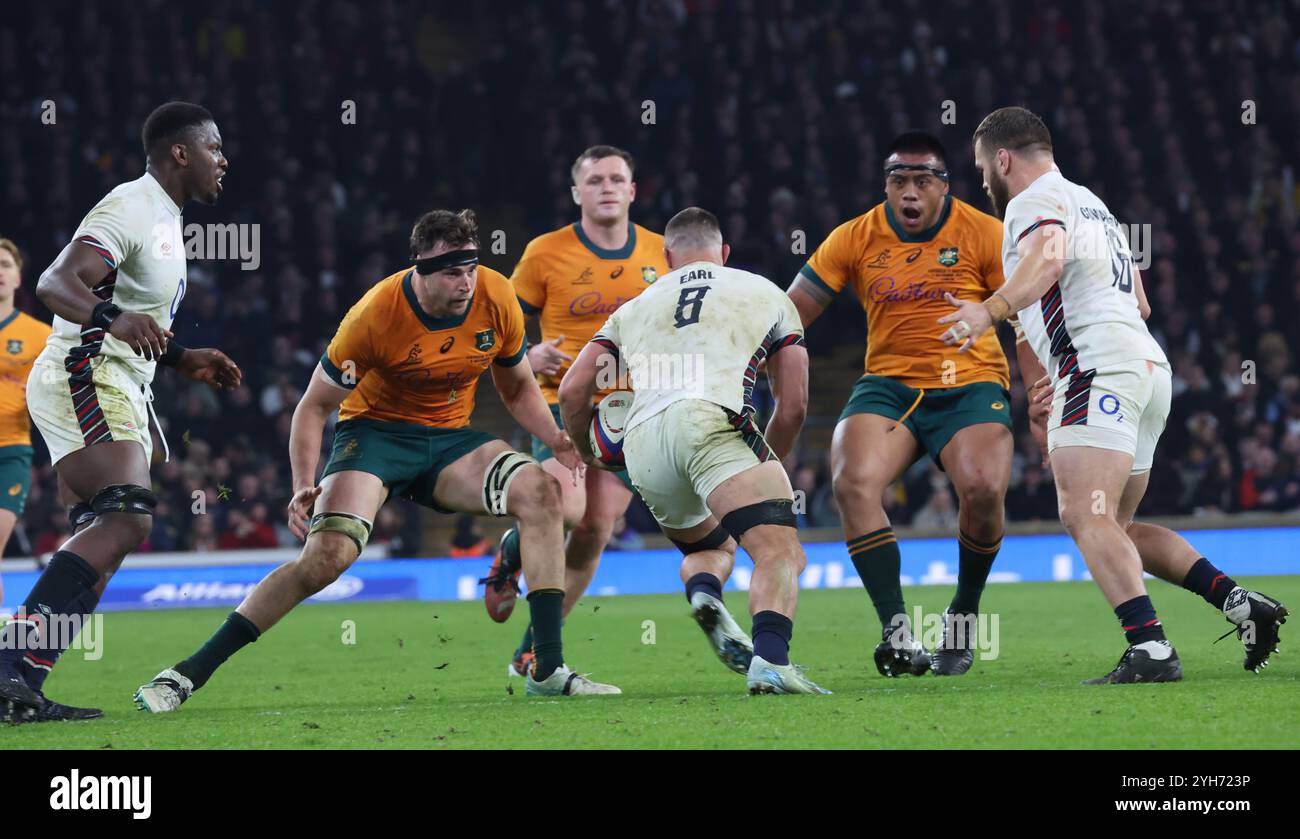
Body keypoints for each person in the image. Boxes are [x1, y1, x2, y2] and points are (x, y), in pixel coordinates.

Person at [134, 208, 619, 712]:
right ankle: (187, 673)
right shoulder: (374, 316)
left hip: (449, 439)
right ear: (420, 269)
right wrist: (303, 483)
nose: (465, 283)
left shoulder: (496, 295)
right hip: (374, 438)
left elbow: (517, 387)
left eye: (470, 269)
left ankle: (546, 669)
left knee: (543, 493)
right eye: (452, 272)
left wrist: (557, 437)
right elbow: (313, 406)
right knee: (325, 562)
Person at [942, 106, 1286, 683]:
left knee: (1083, 512)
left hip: (1097, 370)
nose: (982, 182)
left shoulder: (1032, 203)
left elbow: (1047, 260)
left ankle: (1150, 649)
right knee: (1116, 529)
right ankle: (1239, 604)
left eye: (982, 167)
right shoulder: (1094, 206)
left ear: (1003, 159)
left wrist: (991, 308)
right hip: (1147, 370)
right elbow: (1142, 305)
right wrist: (1039, 377)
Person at [0, 102, 241, 724]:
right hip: (85, 372)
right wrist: (111, 319)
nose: (224, 160)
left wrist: (182, 356)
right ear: (179, 152)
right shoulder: (131, 204)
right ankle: (5, 667)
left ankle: (19, 682)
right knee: (128, 519)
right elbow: (55, 283)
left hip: (115, 379)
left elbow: (130, 308)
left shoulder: (164, 219)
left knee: (105, 539)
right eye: (214, 148)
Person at [560, 207, 827, 694]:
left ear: (666, 258)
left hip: (643, 442)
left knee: (710, 546)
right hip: (711, 421)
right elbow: (794, 406)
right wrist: (768, 466)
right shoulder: (764, 291)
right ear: (724, 254)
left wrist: (589, 451)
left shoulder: (635, 305)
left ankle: (705, 593)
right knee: (778, 550)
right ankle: (771, 661)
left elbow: (572, 391)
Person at [788, 132, 1011, 677]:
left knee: (983, 488)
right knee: (851, 481)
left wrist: (1040, 396)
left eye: (921, 181)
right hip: (889, 385)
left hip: (972, 384)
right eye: (898, 181)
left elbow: (1025, 317)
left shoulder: (986, 233)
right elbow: (789, 313)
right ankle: (897, 631)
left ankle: (962, 614)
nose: (909, 192)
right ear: (886, 185)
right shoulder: (855, 236)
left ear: (944, 186)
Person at [481, 145, 669, 678]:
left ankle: (532, 648)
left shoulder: (661, 253)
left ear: (633, 190)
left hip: (630, 412)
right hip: (562, 404)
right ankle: (512, 552)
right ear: (576, 193)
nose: (606, 187)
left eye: (616, 179)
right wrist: (527, 354)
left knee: (596, 528)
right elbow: (503, 324)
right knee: (565, 510)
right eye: (594, 181)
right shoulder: (546, 253)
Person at [0, 239, 53, 606]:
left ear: (18, 277)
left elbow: (56, 395)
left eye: (4, 265)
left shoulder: (40, 336)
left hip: (11, 454)